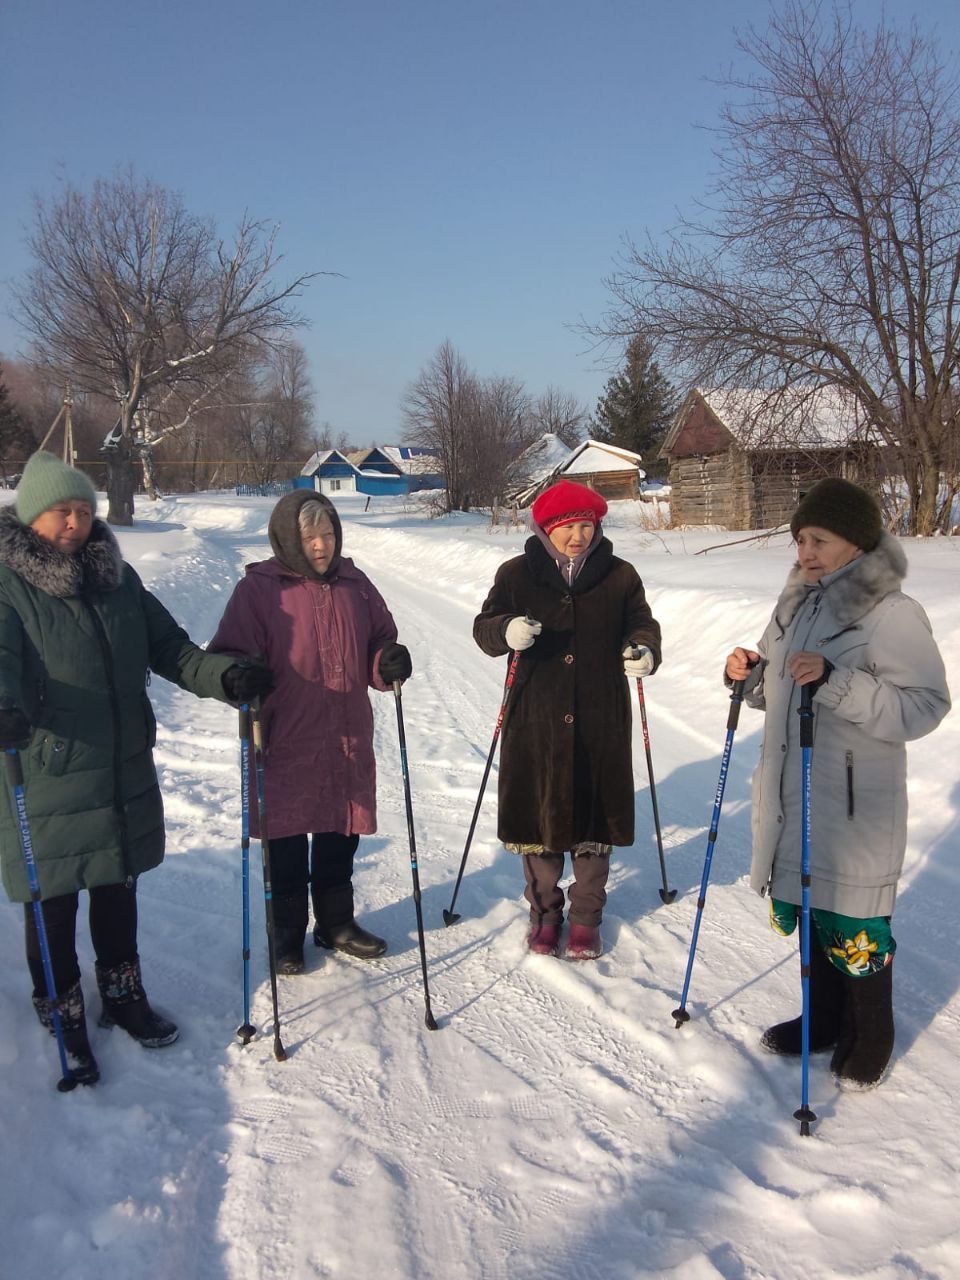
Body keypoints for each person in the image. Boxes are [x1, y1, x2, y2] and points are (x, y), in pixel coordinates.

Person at [0, 451, 273, 1086]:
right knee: (55, 900)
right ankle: (59, 1007)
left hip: (121, 764)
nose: (74, 523)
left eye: (82, 511)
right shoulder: (9, 583)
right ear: (32, 517)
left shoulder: (117, 578)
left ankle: (123, 996)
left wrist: (223, 675)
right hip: (47, 768)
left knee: (118, 886)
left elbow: (169, 648)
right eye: (60, 513)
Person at [725, 477, 950, 1089]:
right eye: (800, 540)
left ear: (855, 541)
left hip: (855, 804)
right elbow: (776, 684)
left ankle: (871, 1034)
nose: (805, 553)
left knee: (856, 923)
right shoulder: (798, 601)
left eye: (819, 539)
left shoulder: (892, 612)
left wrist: (837, 682)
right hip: (793, 791)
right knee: (813, 906)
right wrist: (747, 673)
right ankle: (822, 1018)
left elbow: (927, 705)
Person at [209, 490, 412, 975]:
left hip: (345, 732)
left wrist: (387, 661)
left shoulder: (355, 584)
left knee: (339, 832)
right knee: (284, 839)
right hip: (283, 735)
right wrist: (237, 675)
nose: (322, 546)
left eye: (328, 534)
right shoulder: (260, 590)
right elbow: (225, 654)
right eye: (310, 537)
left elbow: (380, 639)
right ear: (288, 539)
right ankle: (285, 936)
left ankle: (336, 922)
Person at [473, 478, 662, 960]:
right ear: (546, 529)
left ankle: (585, 917)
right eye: (567, 526)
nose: (578, 535)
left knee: (594, 820)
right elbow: (484, 627)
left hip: (601, 720)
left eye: (586, 525)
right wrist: (504, 631)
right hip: (535, 721)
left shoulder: (620, 575)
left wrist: (643, 649)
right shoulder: (516, 574)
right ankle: (544, 915)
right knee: (539, 823)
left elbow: (642, 622)